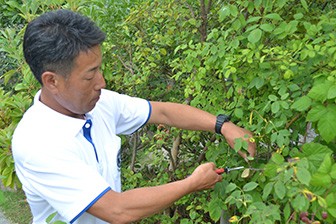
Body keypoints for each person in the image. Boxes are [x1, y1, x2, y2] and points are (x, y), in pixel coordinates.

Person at [12, 9, 256, 224]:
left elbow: (163, 112)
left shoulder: (98, 103)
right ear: (52, 81)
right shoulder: (37, 143)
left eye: (100, 69)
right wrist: (192, 183)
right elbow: (117, 210)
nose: (102, 82)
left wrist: (223, 125)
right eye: (90, 76)